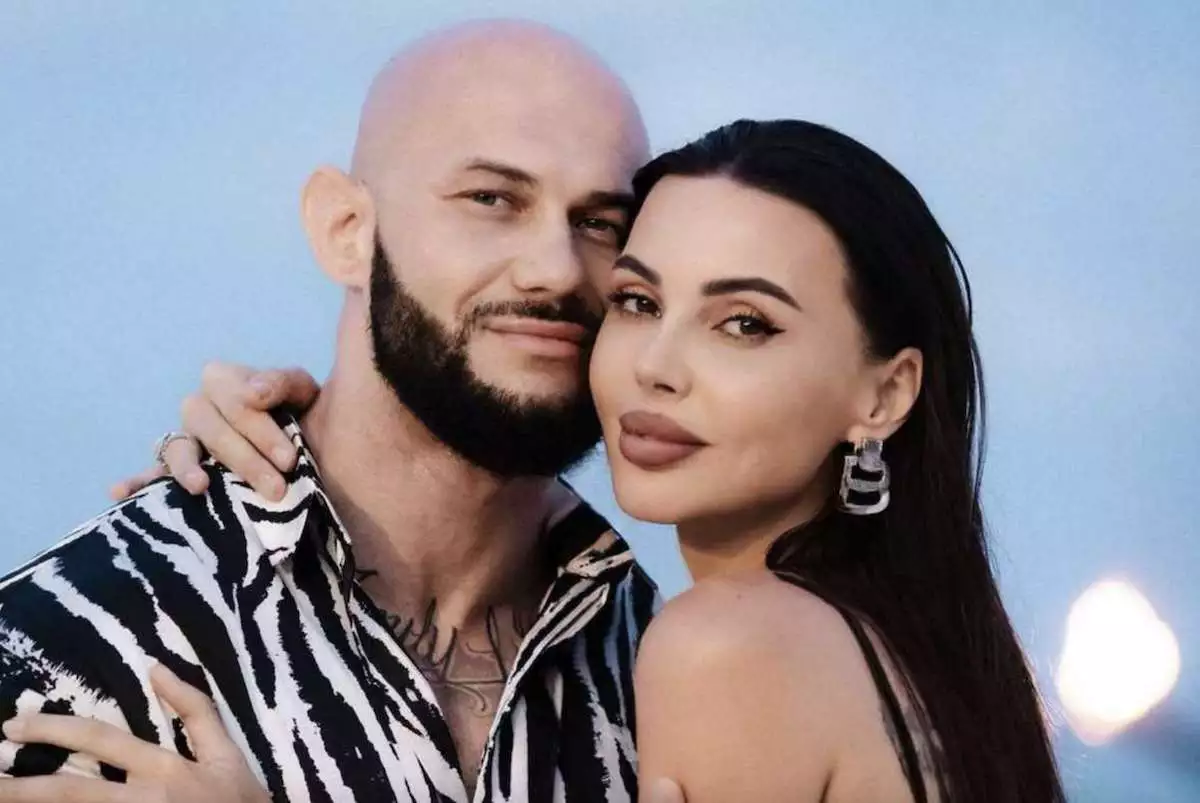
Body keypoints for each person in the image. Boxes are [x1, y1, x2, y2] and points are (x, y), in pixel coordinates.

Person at [11, 120, 1069, 801]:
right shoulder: (910, 660)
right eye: (639, 302)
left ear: (885, 392)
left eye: (744, 324)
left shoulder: (731, 647)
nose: (657, 366)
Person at [0, 19, 663, 803]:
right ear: (346, 230)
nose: (556, 268)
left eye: (601, 223)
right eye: (491, 198)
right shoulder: (66, 642)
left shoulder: (669, 673)